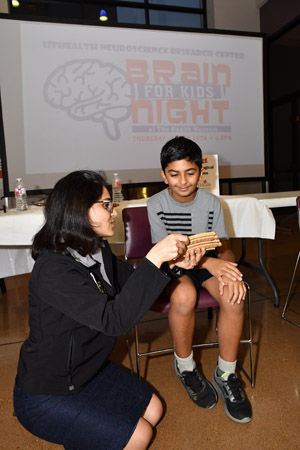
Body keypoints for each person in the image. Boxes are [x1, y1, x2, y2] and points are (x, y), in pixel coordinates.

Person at [13, 170, 205, 450]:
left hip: (88, 369)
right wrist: (154, 256)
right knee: (140, 435)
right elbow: (115, 321)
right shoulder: (54, 270)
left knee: (154, 410)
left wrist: (174, 266)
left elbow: (134, 284)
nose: (114, 210)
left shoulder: (95, 248)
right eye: (105, 204)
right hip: (48, 392)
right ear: (79, 210)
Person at [147, 136, 252, 424]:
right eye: (174, 174)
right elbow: (166, 255)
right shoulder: (155, 203)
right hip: (173, 266)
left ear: (201, 171)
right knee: (185, 296)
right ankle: (186, 366)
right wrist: (209, 261)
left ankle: (226, 372)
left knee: (234, 294)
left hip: (207, 263)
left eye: (190, 172)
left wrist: (229, 269)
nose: (183, 181)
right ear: (163, 175)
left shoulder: (211, 202)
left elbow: (224, 247)